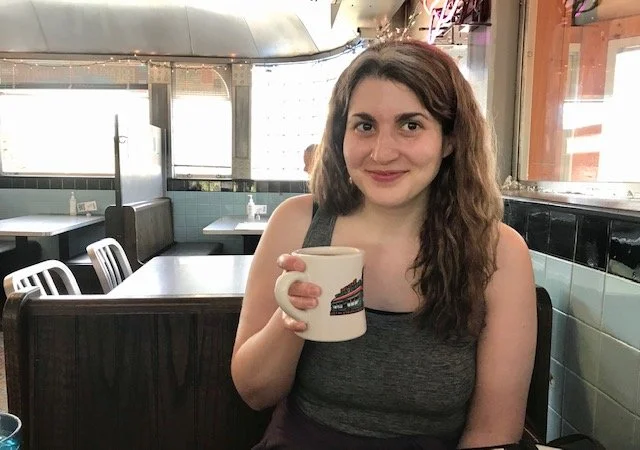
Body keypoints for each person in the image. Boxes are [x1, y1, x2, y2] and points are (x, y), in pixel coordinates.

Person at [231, 39, 536, 450]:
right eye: (365, 126)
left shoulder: (499, 252)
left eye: (411, 125)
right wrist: (293, 317)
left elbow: (493, 431)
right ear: (341, 136)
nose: (382, 152)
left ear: (449, 139)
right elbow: (254, 392)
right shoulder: (297, 223)